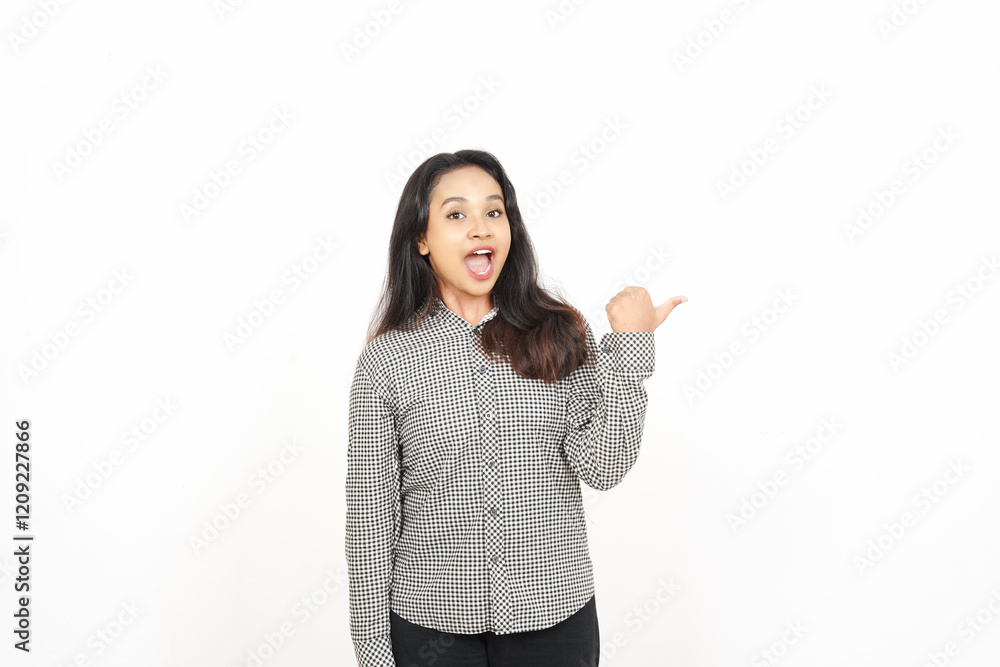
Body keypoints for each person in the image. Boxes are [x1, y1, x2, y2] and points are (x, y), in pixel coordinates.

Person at [346, 149, 686, 667]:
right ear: (421, 239)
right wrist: (373, 651)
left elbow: (604, 465)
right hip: (429, 629)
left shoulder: (560, 332)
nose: (480, 228)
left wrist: (630, 352)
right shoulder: (387, 359)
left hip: (555, 621)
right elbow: (370, 513)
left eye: (494, 211)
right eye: (456, 214)